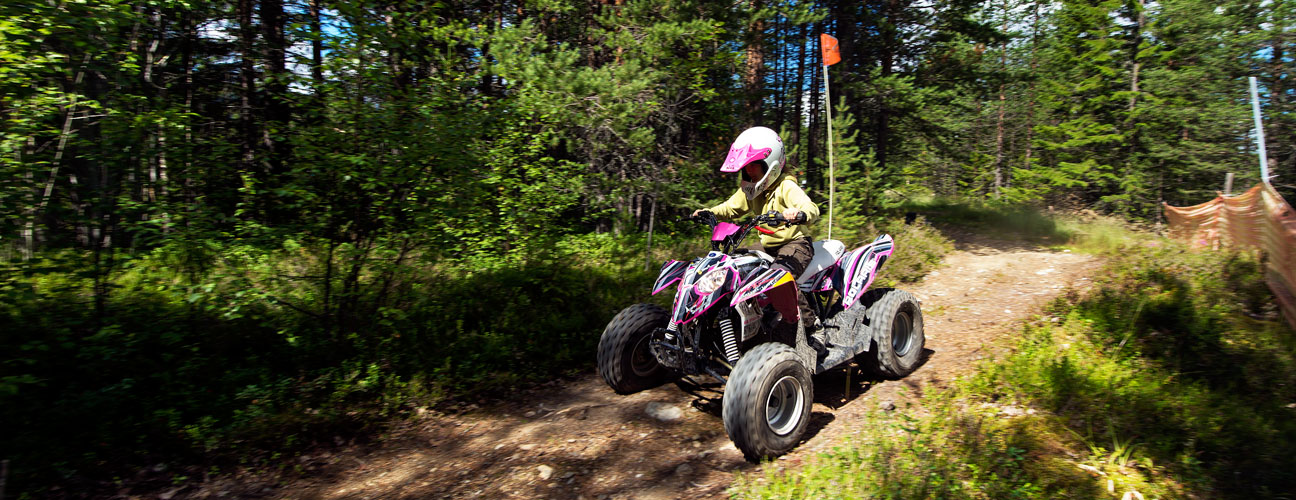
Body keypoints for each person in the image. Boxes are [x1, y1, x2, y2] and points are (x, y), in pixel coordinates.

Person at [692, 126, 821, 335]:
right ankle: (739, 324)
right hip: (767, 247)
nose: (749, 171)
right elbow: (730, 208)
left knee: (778, 278)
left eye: (754, 165)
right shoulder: (751, 188)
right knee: (731, 266)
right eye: (746, 166)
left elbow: (811, 208)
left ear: (771, 164)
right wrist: (708, 212)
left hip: (795, 244)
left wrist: (799, 214)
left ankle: (812, 327)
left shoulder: (786, 187)